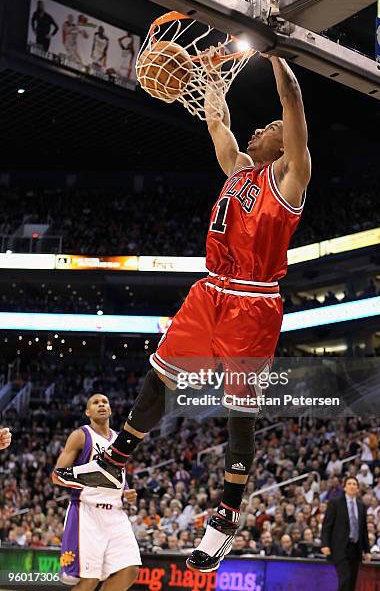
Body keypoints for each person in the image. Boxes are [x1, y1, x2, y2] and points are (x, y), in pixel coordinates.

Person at [55, 54, 311, 573]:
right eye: (260, 126)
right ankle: (116, 460)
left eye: (271, 127)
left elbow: (294, 103)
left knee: (240, 412)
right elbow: (218, 122)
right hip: (210, 291)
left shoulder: (291, 177)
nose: (261, 127)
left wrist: (275, 52)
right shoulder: (241, 170)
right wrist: (211, 82)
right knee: (159, 377)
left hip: (253, 300)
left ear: (286, 145)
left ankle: (227, 515)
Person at [53, 394, 141, 590]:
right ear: (88, 412)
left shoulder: (120, 439)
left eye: (105, 402)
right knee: (89, 580)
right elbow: (56, 476)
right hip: (87, 513)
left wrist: (126, 492)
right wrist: (91, 479)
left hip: (116, 514)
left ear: (110, 410)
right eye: (96, 402)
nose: (101, 405)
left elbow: (117, 475)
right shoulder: (81, 436)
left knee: (130, 570)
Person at [321, 476, 371, 591]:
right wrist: (325, 544)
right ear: (344, 487)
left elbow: (363, 529)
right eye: (349, 484)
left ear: (358, 489)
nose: (352, 486)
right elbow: (327, 525)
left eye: (354, 484)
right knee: (345, 578)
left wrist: (367, 550)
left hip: (355, 547)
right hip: (340, 547)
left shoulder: (361, 506)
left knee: (352, 581)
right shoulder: (335, 503)